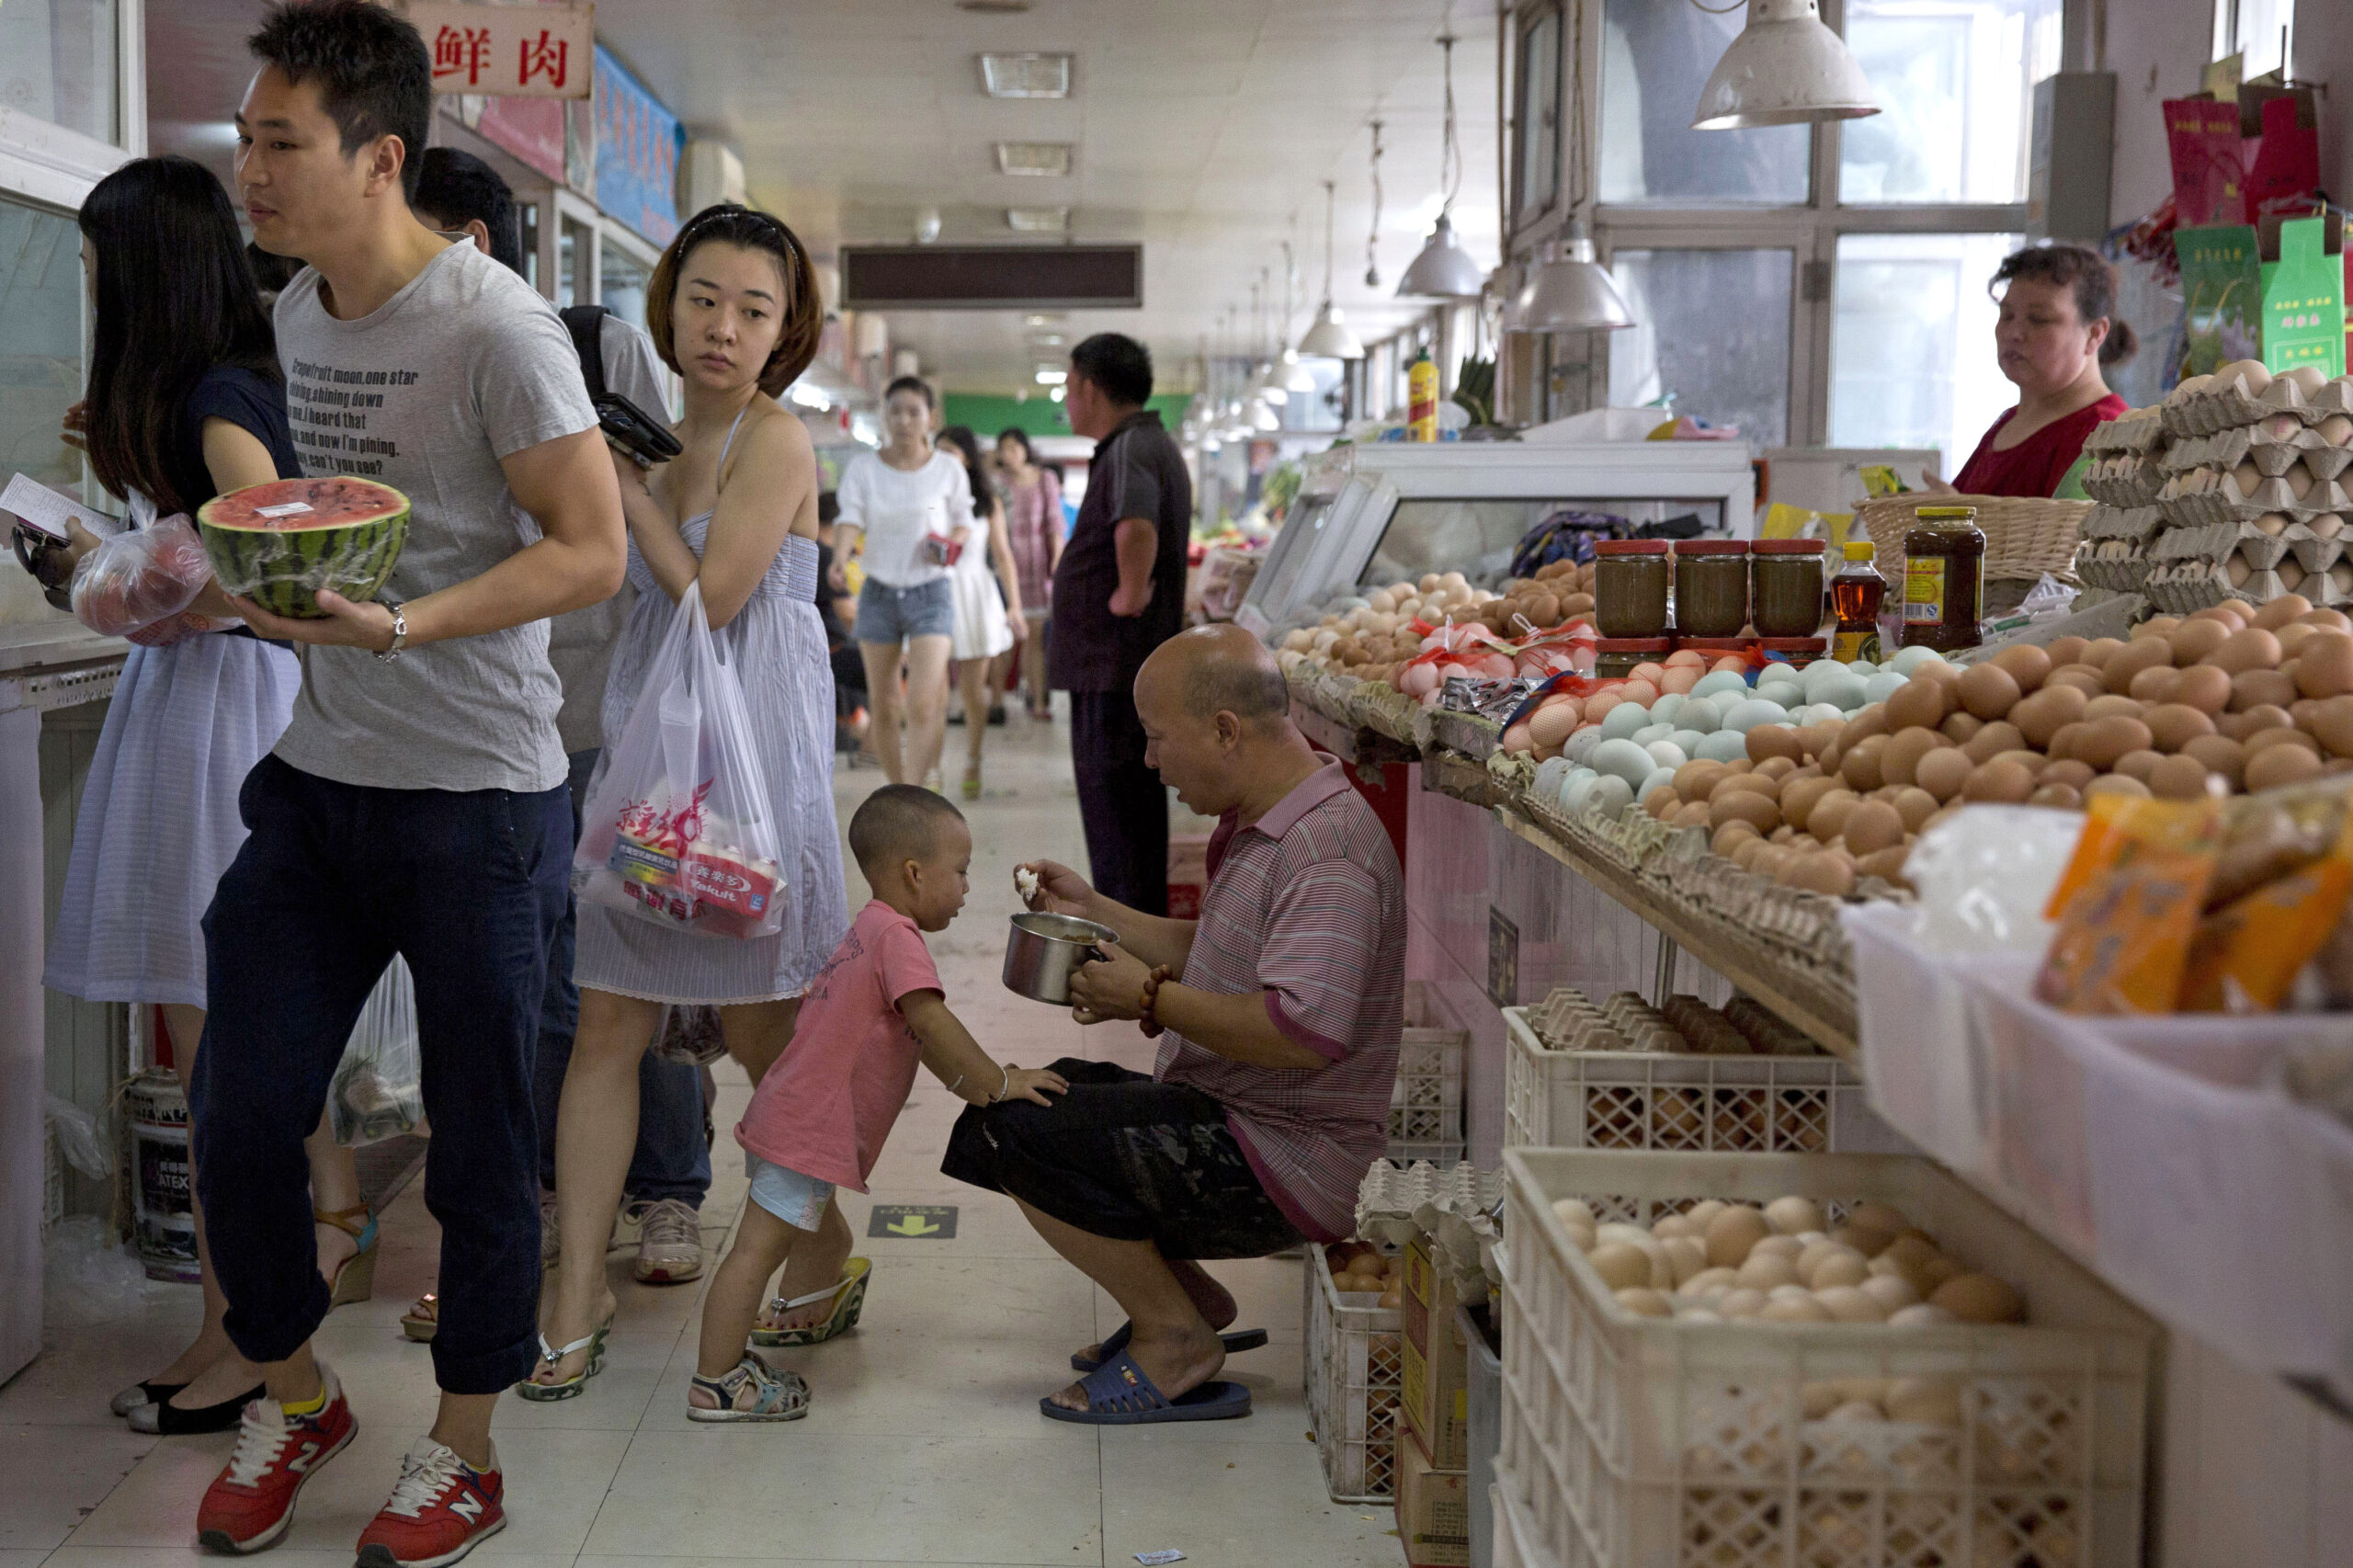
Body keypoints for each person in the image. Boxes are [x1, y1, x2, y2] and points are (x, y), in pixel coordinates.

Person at [189, 6, 628, 1563]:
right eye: (244, 137)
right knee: (237, 1112)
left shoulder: (497, 329)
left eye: (279, 141)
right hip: (315, 787)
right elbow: (295, 518)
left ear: (379, 159)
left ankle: (464, 1446)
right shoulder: (287, 321)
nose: (249, 166)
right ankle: (297, 1388)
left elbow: (594, 550)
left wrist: (401, 623)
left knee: (484, 1135)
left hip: (481, 800)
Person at [35, 154, 370, 1438]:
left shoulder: (225, 398)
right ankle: (233, 1316)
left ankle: (251, 1335)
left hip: (230, 714)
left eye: (98, 264)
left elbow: (281, 585)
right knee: (210, 1045)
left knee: (230, 1049)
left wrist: (124, 571)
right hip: (197, 710)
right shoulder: (201, 389)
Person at [531, 201, 853, 1402]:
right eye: (704, 297)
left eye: (753, 309)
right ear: (668, 302)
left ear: (786, 330)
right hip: (654, 776)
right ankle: (575, 1296)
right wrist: (619, 477)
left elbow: (714, 597)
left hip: (751, 784)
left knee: (765, 1034)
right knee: (609, 1022)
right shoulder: (653, 435)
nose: (722, 325)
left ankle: (823, 1245)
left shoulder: (779, 440)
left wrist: (624, 489)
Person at [944, 624, 1405, 1424]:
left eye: (1158, 739)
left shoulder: (1325, 849)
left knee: (1011, 1131)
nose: (1150, 761)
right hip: (1238, 1120)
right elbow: (1221, 951)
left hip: (1287, 1161)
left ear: (1225, 729)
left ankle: (1176, 1338)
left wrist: (1148, 1001)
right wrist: (1096, 912)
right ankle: (1185, 1301)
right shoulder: (1271, 819)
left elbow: (1301, 1031)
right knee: (1049, 1090)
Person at [411, 143, 713, 1295]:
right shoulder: (416, 366)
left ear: (471, 244)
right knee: (540, 967)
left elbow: (664, 501)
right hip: (504, 717)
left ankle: (672, 1189)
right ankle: (549, 1181)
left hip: (620, 712)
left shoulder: (593, 346)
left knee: (643, 945)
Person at [688, 786, 1067, 1419]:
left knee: (783, 1239)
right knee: (756, 1249)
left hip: (793, 1113)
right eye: (963, 871)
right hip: (807, 1126)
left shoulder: (870, 927)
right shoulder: (898, 940)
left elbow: (917, 1040)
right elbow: (935, 1026)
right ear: (915, 874)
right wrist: (999, 1084)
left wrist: (976, 1079)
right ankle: (716, 1380)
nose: (968, 888)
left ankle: (798, 1312)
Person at [1048, 334, 1192, 915]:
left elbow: (1135, 525)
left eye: (1068, 385)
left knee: (1120, 824)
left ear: (1089, 386)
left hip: (1117, 674)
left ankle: (1130, 951)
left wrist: (1129, 595)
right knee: (1124, 826)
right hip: (1115, 673)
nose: (1067, 398)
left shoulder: (1132, 446)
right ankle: (1130, 940)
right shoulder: (1141, 444)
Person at [835, 377, 971, 788]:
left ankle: (914, 789)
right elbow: (850, 518)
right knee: (885, 701)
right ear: (884, 416)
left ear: (931, 417)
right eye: (895, 411)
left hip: (932, 591)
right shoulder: (864, 468)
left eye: (914, 411)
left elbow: (964, 522)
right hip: (878, 592)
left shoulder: (948, 469)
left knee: (924, 701)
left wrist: (949, 545)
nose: (904, 421)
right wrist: (840, 557)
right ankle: (897, 787)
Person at [1936, 244, 2134, 499]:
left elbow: (2072, 538)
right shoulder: (2008, 423)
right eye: (2006, 315)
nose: (2014, 333)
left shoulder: (2107, 434)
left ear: (2095, 334)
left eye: (2039, 320)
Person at [937, 423, 1025, 798]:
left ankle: (973, 758)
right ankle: (931, 768)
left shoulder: (987, 501)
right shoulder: (927, 495)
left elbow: (1003, 556)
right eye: (937, 451)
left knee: (974, 692)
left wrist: (1015, 605)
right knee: (934, 692)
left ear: (967, 458)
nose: (942, 460)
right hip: (935, 591)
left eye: (950, 452)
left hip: (975, 594)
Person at [996, 426, 1063, 719]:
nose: (1008, 454)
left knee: (1035, 637)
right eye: (1003, 449)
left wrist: (1057, 561)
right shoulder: (998, 483)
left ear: (1025, 449)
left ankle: (1038, 702)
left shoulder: (1045, 479)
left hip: (1037, 568)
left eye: (1013, 447)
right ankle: (996, 702)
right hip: (1005, 566)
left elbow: (1055, 524)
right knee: (1004, 639)